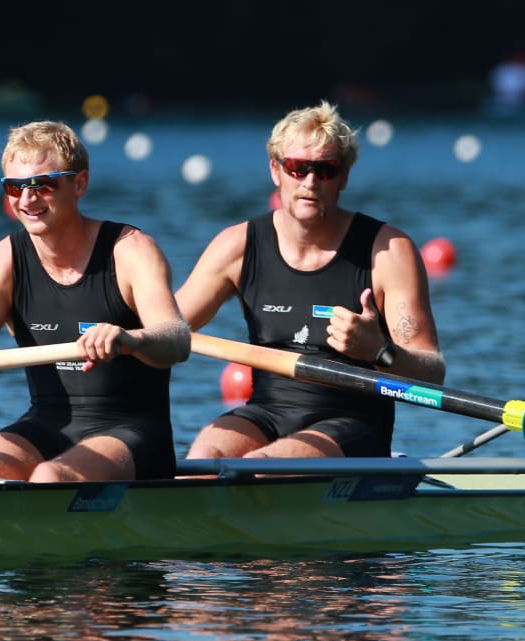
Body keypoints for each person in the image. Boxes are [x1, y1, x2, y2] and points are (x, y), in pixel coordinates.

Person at [176, 100, 445, 462]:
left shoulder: (388, 251)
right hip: (265, 413)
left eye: (326, 170)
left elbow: (432, 373)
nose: (310, 181)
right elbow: (164, 327)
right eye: (297, 168)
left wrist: (379, 350)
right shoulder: (237, 245)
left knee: (260, 467)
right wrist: (106, 333)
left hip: (352, 422)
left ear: (344, 177)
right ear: (276, 171)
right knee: (202, 461)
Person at [0, 120, 190, 482]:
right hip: (46, 424)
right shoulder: (4, 264)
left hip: (133, 432)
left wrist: (130, 340)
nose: (27, 200)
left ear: (79, 183)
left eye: (43, 185)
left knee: (50, 478)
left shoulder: (130, 251)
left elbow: (177, 341)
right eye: (15, 187)